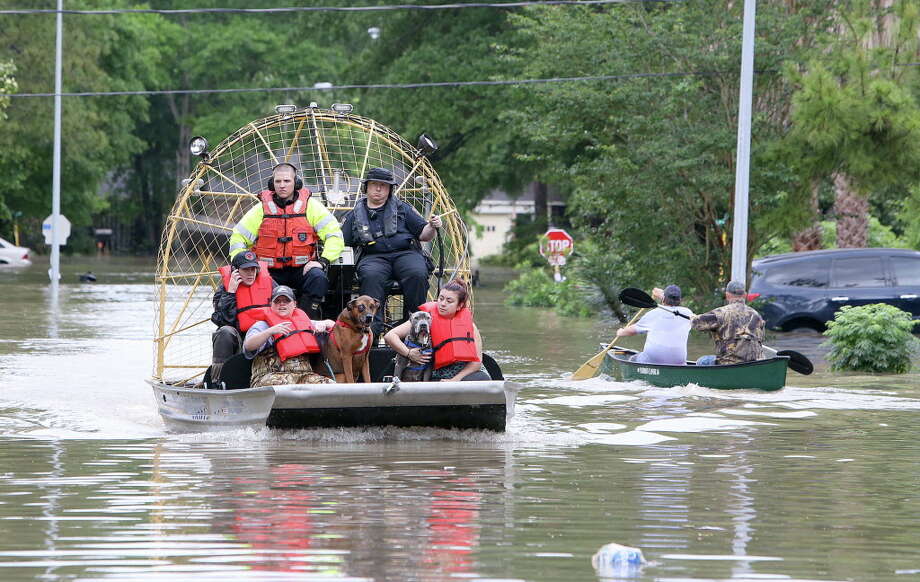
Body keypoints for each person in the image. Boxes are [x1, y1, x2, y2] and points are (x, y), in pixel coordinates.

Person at [228, 162, 344, 319]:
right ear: (272, 184)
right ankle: (267, 323)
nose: (282, 185)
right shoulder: (260, 209)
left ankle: (305, 320)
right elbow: (238, 237)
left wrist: (322, 261)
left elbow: (334, 236)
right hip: (268, 271)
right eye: (278, 181)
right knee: (254, 284)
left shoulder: (312, 207)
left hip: (302, 269)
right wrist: (246, 265)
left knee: (318, 278)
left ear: (296, 183)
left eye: (287, 181)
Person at [341, 167, 442, 332]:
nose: (379, 189)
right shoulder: (354, 215)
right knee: (371, 276)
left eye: (384, 185)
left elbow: (424, 235)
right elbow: (342, 243)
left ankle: (414, 328)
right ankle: (372, 331)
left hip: (406, 253)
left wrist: (432, 225)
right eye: (374, 184)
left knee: (417, 273)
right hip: (373, 257)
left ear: (390, 189)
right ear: (367, 187)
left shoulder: (403, 209)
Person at [385, 279, 490, 382]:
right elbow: (390, 336)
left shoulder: (470, 326)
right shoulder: (426, 319)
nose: (443, 304)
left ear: (459, 306)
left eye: (449, 301)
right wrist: (408, 353)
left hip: (466, 373)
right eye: (441, 298)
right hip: (439, 373)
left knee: (482, 379)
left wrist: (455, 380)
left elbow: (476, 363)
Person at [242, 285, 337, 386]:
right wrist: (270, 332)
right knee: (286, 387)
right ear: (271, 304)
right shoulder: (262, 325)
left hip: (304, 376)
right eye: (277, 301)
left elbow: (334, 325)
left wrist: (324, 323)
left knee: (331, 386)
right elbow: (248, 346)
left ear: (295, 304)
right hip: (270, 376)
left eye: (286, 301)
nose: (282, 304)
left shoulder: (305, 322)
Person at [209, 250, 276, 383]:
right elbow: (222, 321)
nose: (251, 273)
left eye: (253, 269)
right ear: (235, 271)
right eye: (246, 270)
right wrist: (231, 293)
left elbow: (286, 309)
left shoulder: (270, 284)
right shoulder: (224, 290)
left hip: (264, 338)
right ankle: (217, 381)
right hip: (241, 342)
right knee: (224, 332)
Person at [691, 280, 765, 365]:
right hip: (755, 363)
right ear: (745, 295)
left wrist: (692, 317)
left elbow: (696, 323)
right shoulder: (757, 315)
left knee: (702, 361)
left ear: (727, 295)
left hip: (729, 364)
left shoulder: (721, 313)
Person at [615, 284, 693, 365]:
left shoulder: (653, 313)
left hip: (653, 360)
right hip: (678, 362)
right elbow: (671, 302)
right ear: (680, 300)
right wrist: (661, 295)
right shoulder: (688, 314)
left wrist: (621, 332)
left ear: (663, 299)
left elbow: (632, 331)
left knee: (633, 359)